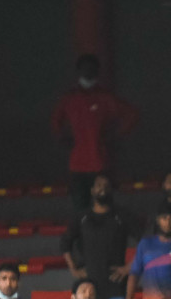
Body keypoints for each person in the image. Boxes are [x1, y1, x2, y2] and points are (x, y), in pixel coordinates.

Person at [51, 53, 138, 212]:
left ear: (97, 71)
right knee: (80, 208)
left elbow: (131, 114)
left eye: (92, 68)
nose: (88, 71)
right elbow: (55, 119)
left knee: (104, 206)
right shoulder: (70, 98)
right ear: (79, 71)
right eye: (85, 68)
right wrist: (61, 136)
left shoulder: (105, 98)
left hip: (99, 162)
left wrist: (116, 136)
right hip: (77, 165)